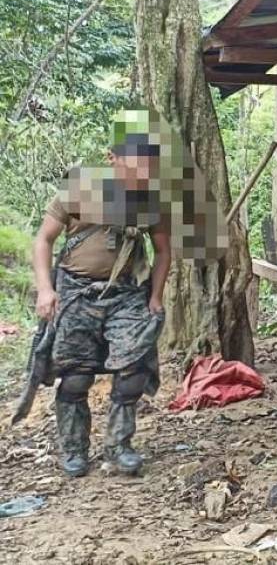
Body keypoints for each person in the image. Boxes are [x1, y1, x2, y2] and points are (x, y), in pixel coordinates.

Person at [26, 110, 172, 478]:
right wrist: (46, 289)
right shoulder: (79, 188)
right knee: (75, 377)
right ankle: (74, 450)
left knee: (133, 370)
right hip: (75, 292)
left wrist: (155, 296)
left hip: (124, 295)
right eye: (136, 163)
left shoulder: (150, 200)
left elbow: (163, 250)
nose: (143, 171)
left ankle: (119, 446)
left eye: (149, 164)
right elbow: (44, 240)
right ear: (113, 159)